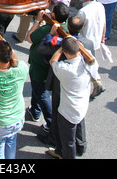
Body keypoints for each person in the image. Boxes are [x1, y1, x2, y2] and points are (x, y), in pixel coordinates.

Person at [38, 15, 95, 157]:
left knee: (61, 117)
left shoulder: (61, 43)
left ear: (67, 26)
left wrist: (52, 35)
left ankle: (56, 142)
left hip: (61, 84)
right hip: (81, 95)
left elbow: (43, 50)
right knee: (79, 120)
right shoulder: (87, 45)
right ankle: (81, 144)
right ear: (82, 28)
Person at [26, 3, 69, 141]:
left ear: (54, 15)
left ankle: (51, 123)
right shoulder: (66, 26)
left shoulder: (47, 29)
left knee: (42, 93)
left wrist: (38, 21)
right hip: (49, 66)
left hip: (40, 66)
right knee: (37, 88)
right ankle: (35, 110)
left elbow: (29, 38)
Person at [49, 36, 92, 159]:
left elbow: (53, 61)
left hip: (67, 110)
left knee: (68, 141)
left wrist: (60, 49)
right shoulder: (87, 62)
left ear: (65, 53)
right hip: (82, 104)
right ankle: (77, 147)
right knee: (77, 128)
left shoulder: (66, 69)